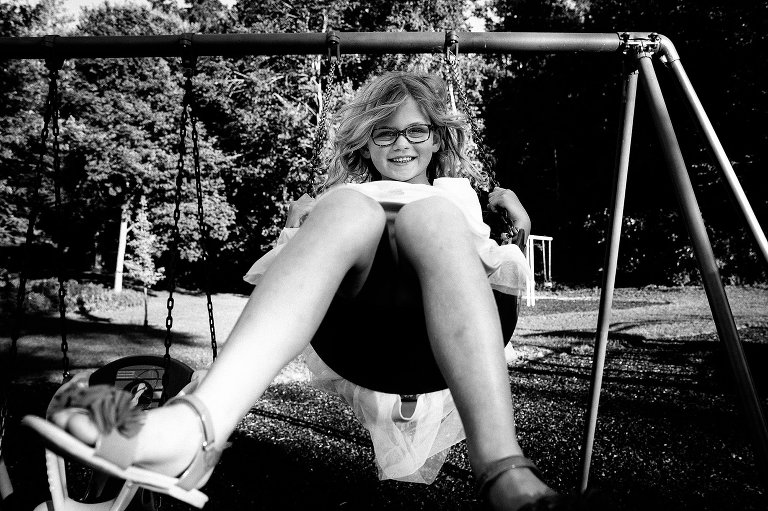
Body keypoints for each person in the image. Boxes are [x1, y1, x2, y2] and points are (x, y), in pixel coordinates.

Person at [23, 71, 591, 511]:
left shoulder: (461, 193)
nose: (400, 144)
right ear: (364, 144)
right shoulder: (341, 197)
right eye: (383, 132)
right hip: (358, 330)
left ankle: (501, 466)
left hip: (441, 329)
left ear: (437, 138)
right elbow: (292, 278)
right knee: (347, 205)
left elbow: (500, 269)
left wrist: (512, 219)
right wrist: (298, 229)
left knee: (433, 218)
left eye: (416, 130)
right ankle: (197, 428)